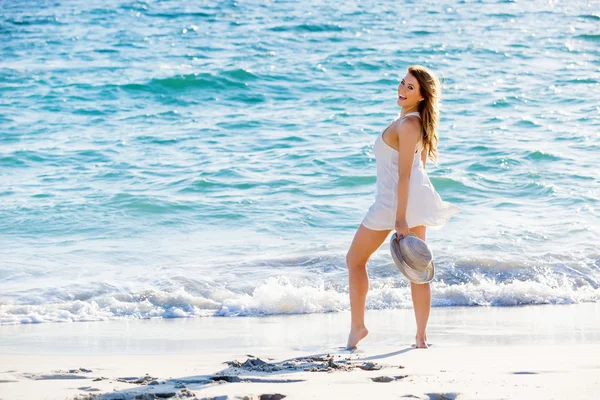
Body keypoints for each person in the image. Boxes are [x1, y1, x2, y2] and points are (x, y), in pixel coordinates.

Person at [346, 64, 461, 349]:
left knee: (354, 260)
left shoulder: (409, 124)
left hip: (393, 204)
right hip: (410, 202)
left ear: (422, 96)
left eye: (411, 87)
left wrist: (400, 219)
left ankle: (358, 327)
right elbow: (416, 170)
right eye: (402, 83)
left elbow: (407, 174)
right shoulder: (411, 122)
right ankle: (421, 337)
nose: (402, 89)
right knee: (417, 268)